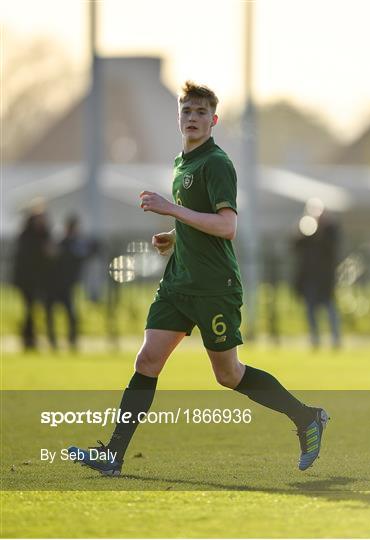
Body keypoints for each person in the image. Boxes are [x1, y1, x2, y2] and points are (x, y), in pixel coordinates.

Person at [69, 82, 329, 475]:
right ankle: (113, 456)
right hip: (178, 284)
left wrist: (172, 210)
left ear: (214, 120)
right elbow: (198, 220)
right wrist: (174, 237)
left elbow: (227, 227)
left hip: (214, 287)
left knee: (229, 374)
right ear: (179, 117)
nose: (193, 118)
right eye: (187, 111)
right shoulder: (181, 162)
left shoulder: (216, 164)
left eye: (201, 112)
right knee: (148, 359)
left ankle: (306, 418)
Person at [293, 202, 341, 349]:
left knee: (330, 308)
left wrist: (321, 228)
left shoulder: (330, 231)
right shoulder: (307, 234)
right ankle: (315, 338)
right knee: (310, 310)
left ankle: (335, 338)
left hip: (325, 278)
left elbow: (331, 247)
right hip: (310, 278)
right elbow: (295, 246)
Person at [13, 206, 56, 350]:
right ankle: (28, 338)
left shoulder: (45, 234)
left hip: (42, 279)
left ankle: (49, 337)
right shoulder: (26, 235)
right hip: (27, 279)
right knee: (29, 309)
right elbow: (26, 259)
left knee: (47, 308)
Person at [51, 215, 93, 350]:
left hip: (68, 284)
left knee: (70, 314)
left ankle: (71, 339)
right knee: (56, 312)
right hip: (58, 283)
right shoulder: (63, 243)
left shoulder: (74, 243)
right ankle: (55, 340)